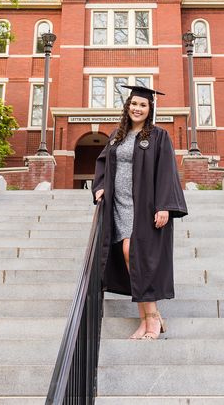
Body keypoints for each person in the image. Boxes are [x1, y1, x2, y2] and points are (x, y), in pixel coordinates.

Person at [92, 85, 188, 340]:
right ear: (128, 106)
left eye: (143, 105)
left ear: (149, 109)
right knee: (129, 257)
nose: (137, 108)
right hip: (120, 205)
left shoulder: (158, 136)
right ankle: (146, 318)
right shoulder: (117, 135)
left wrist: (164, 205)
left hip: (144, 206)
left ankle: (152, 318)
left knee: (133, 253)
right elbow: (102, 162)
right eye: (134, 104)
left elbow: (167, 171)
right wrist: (100, 187)